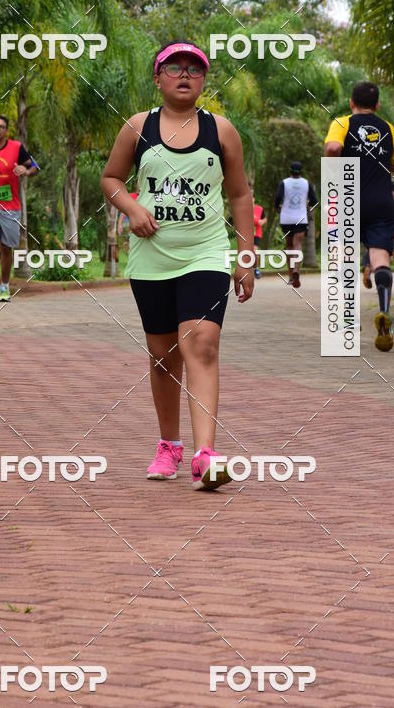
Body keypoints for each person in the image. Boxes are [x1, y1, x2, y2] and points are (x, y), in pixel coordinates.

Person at [100, 40, 254, 491]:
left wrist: (245, 256)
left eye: (194, 68)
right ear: (158, 77)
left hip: (205, 253)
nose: (184, 74)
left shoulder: (221, 131)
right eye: (174, 67)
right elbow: (110, 178)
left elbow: (240, 194)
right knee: (164, 356)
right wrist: (131, 207)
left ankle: (206, 456)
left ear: (204, 80)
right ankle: (169, 445)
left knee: (201, 345)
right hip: (152, 260)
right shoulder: (137, 127)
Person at [324, 81, 394, 351]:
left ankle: (348, 319)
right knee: (380, 259)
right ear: (378, 105)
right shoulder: (388, 128)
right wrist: (379, 161)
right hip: (382, 201)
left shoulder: (343, 122)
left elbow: (333, 148)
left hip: (349, 198)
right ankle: (383, 311)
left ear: (351, 103)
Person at [0, 115, 39, 302]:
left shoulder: (17, 147)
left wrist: (25, 170)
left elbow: (34, 166)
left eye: (2, 127)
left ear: (6, 130)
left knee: (6, 248)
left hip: (11, 207)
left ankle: (4, 286)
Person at [274, 161, 317, 288]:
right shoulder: (306, 183)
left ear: (290, 170)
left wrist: (278, 209)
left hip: (286, 218)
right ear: (301, 171)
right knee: (297, 244)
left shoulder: (284, 183)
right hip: (301, 218)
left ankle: (290, 274)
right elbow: (314, 201)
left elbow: (277, 199)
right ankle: (296, 270)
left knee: (288, 246)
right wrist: (307, 209)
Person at [117, 189, 139, 253]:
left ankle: (129, 249)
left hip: (134, 223)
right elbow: (124, 212)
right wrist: (120, 224)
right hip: (128, 223)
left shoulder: (145, 196)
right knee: (128, 241)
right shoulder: (131, 196)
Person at [252, 199, 266, 278]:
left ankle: (256, 268)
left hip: (257, 233)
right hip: (246, 234)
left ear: (254, 199)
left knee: (254, 251)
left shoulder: (259, 209)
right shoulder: (243, 208)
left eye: (252, 197)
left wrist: (262, 221)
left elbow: (264, 218)